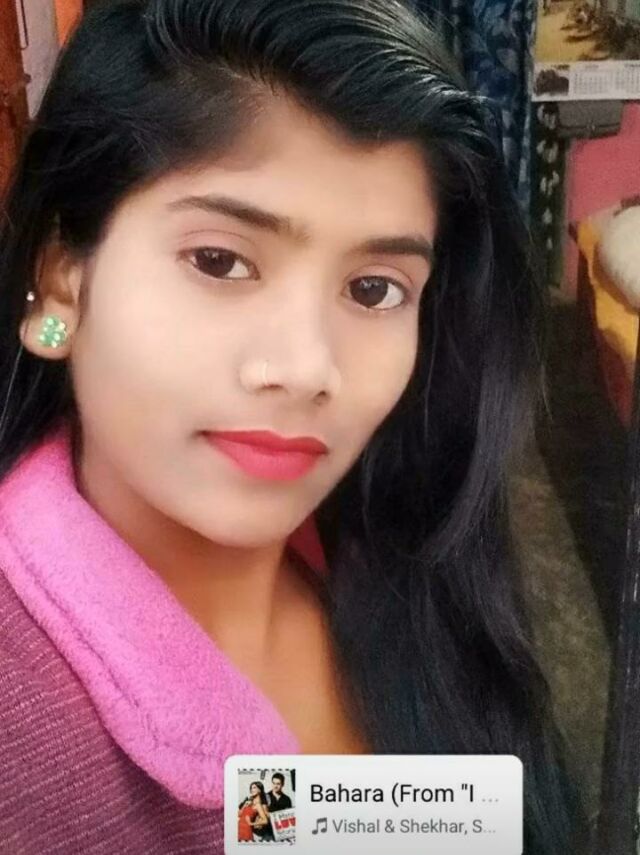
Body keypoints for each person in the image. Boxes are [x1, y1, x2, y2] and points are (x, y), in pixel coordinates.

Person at [0, 0, 584, 852]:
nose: (308, 367)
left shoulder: (398, 558)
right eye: (220, 260)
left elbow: (314, 818)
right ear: (61, 278)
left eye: (374, 289)